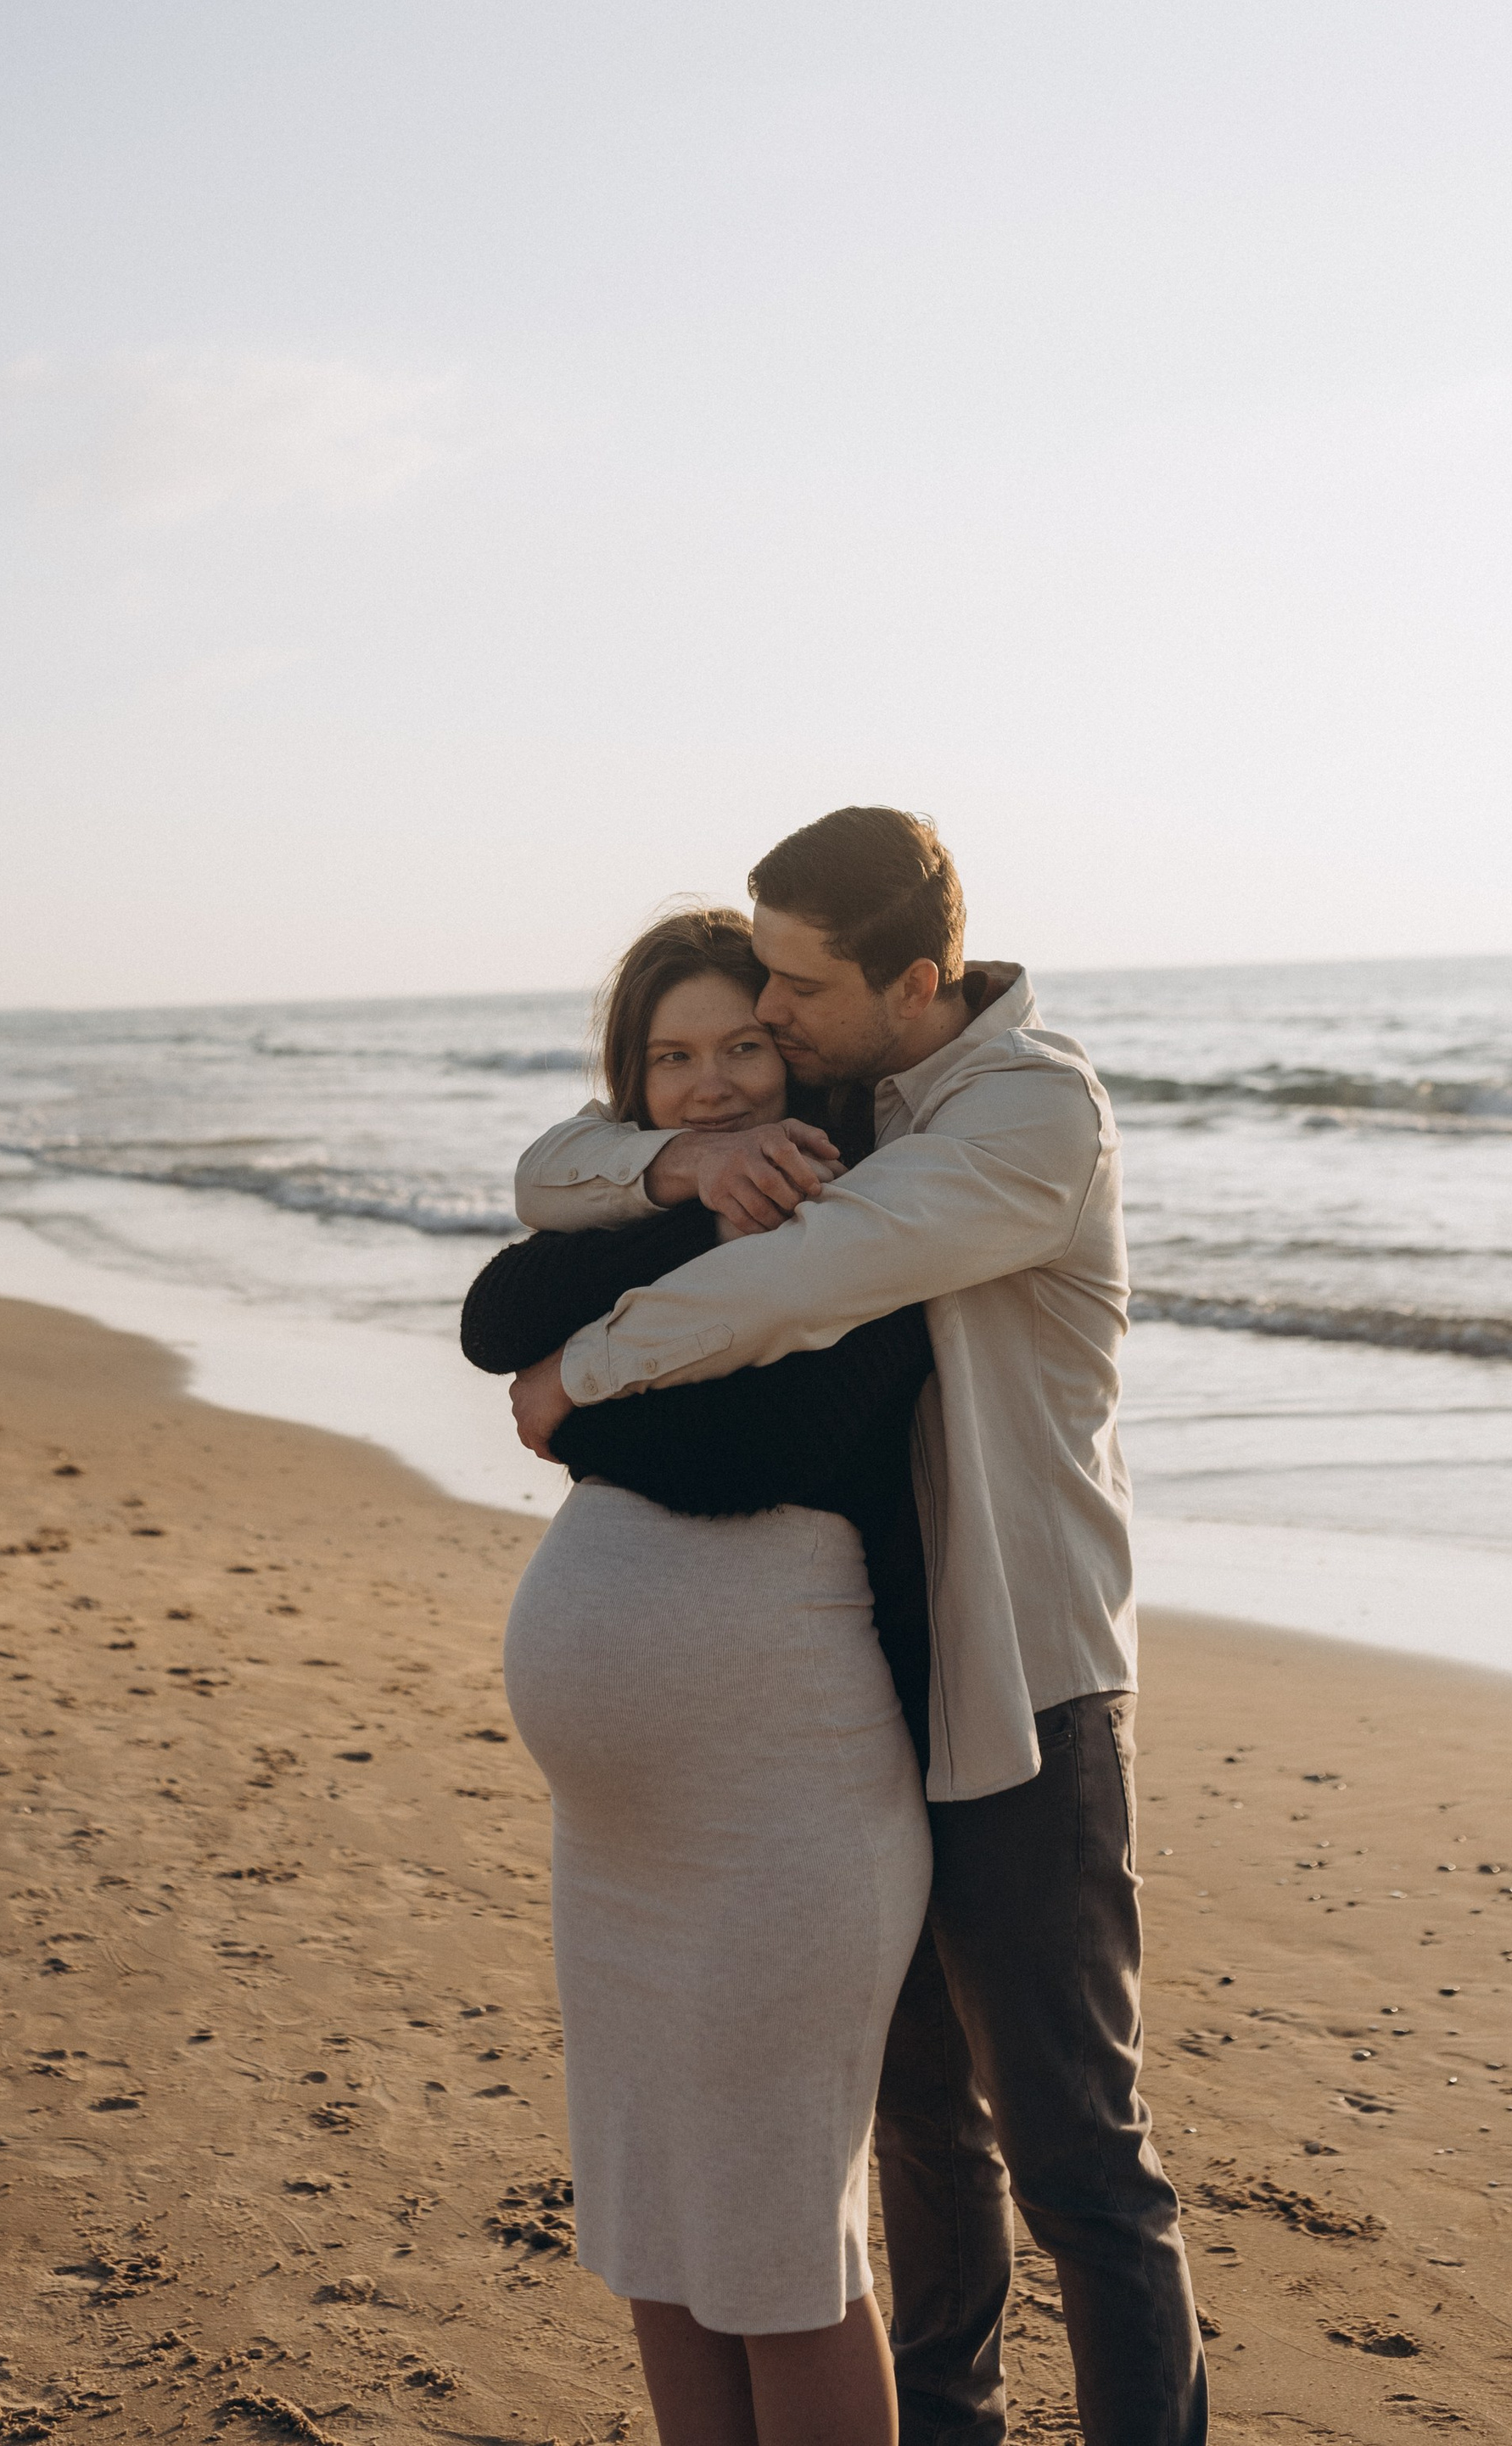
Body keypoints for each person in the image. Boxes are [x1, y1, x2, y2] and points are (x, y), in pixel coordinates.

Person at [507, 810, 1207, 2446]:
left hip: (1026, 1684)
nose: (775, 1016)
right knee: (917, 2130)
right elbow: (555, 1166)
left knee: (1077, 2154)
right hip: (873, 1682)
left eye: (797, 989)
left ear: (918, 977)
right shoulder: (850, 1092)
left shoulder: (1030, 1116)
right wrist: (675, 1159)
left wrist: (574, 1380)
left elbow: (805, 1278)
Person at [466, 907, 937, 2446]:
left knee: (781, 2254)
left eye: (745, 1043)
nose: (716, 1082)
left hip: (782, 1814)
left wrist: (572, 1408)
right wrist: (685, 1190)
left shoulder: (876, 1217)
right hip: (624, 1846)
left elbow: (767, 1451)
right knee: (660, 2234)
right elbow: (493, 1319)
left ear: (799, 1045)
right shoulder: (658, 1198)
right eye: (674, 1060)